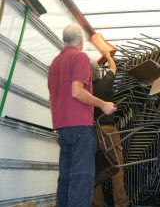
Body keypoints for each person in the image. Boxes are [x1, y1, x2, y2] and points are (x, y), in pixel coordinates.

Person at [48, 24, 116, 207]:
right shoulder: (80, 57)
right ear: (81, 41)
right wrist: (103, 104)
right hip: (80, 127)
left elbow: (53, 96)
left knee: (66, 178)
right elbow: (77, 92)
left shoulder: (55, 63)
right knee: (82, 176)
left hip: (62, 127)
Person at [91, 49, 130, 207]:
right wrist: (107, 55)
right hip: (108, 131)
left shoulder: (85, 91)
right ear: (98, 72)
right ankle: (121, 203)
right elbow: (113, 67)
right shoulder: (106, 82)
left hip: (92, 132)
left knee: (95, 169)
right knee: (117, 167)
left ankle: (97, 204)